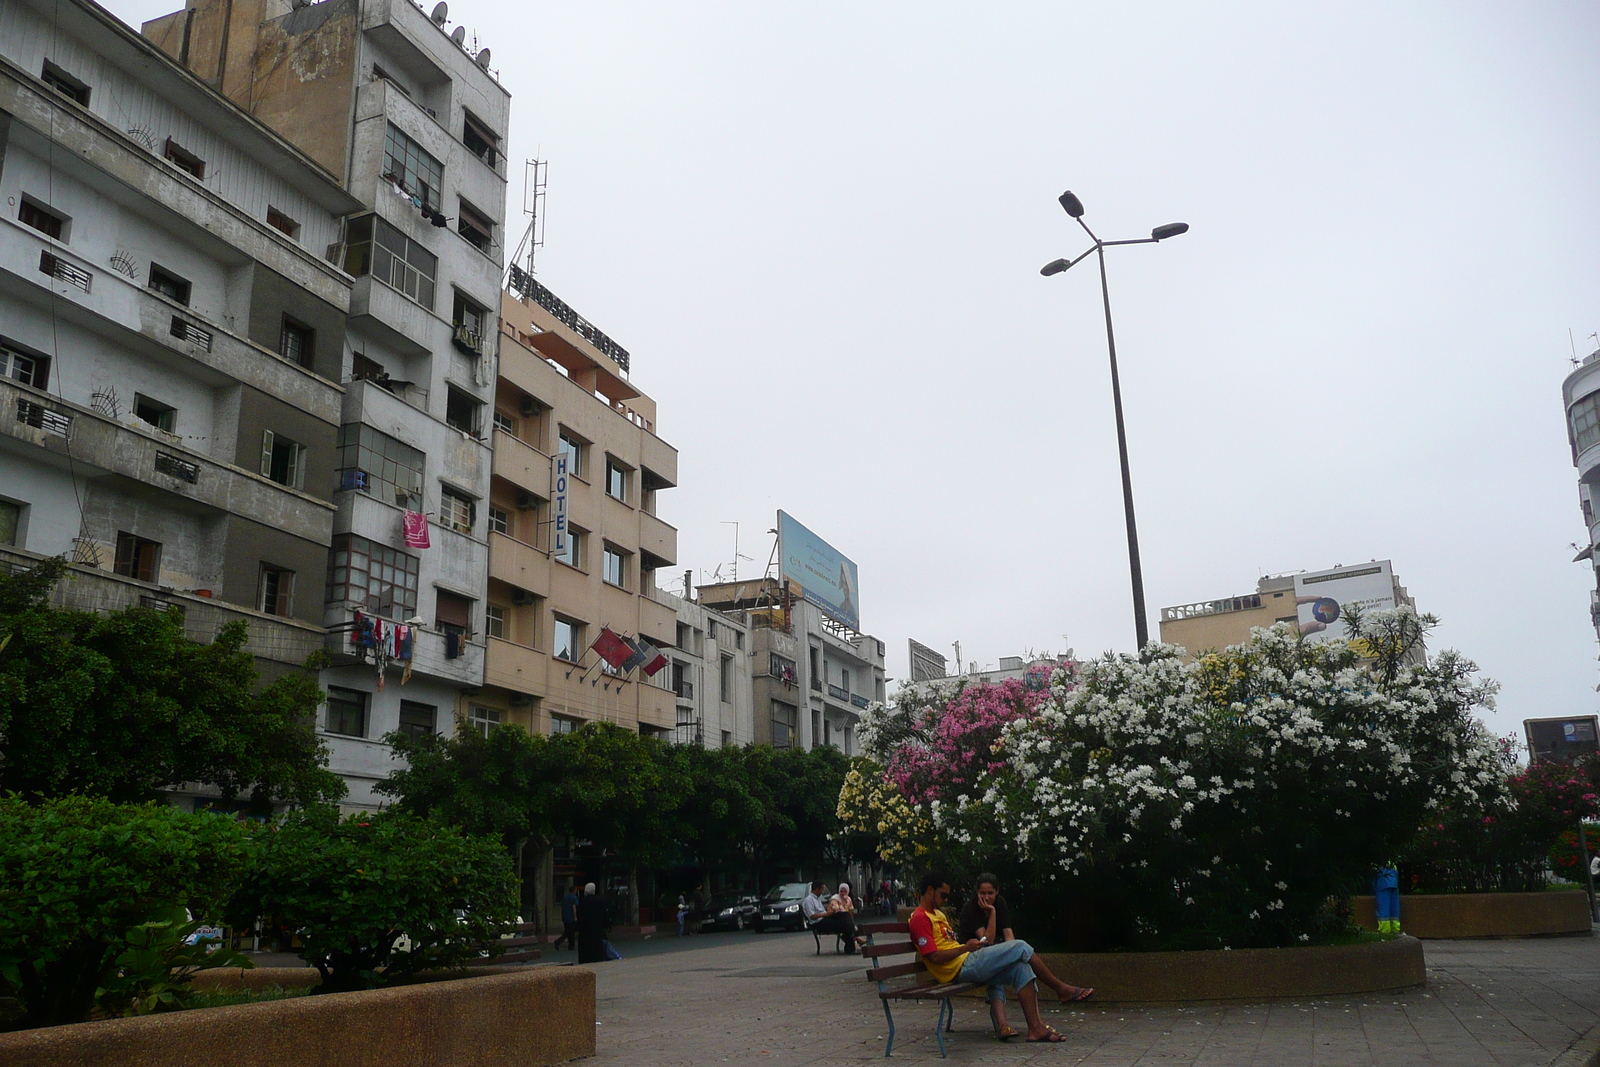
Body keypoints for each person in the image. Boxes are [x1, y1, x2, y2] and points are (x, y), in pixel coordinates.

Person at [909, 871, 1090, 1044]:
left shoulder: (938, 914)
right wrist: (965, 947)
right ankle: (1061, 989)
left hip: (968, 960)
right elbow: (934, 957)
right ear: (930, 890)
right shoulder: (920, 918)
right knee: (1020, 946)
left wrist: (968, 948)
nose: (946, 900)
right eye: (943, 895)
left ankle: (1035, 1029)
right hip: (960, 967)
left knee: (1021, 969)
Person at [801, 879, 860, 954]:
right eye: (822, 889)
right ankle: (853, 940)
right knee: (844, 924)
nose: (822, 892)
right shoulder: (809, 900)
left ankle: (852, 941)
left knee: (845, 915)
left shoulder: (817, 899)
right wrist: (826, 914)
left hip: (825, 918)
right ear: (817, 889)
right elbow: (812, 916)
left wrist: (831, 913)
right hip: (818, 923)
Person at [576, 882, 611, 964]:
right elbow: (605, 915)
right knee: (597, 954)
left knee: (585, 955)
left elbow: (579, 917)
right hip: (597, 931)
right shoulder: (600, 901)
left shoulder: (582, 902)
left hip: (585, 933)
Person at [557, 884, 579, 951]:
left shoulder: (565, 898)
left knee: (567, 932)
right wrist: (575, 917)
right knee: (570, 932)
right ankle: (570, 945)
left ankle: (569, 945)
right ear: (574, 891)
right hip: (571, 918)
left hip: (565, 917)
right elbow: (574, 907)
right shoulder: (574, 898)